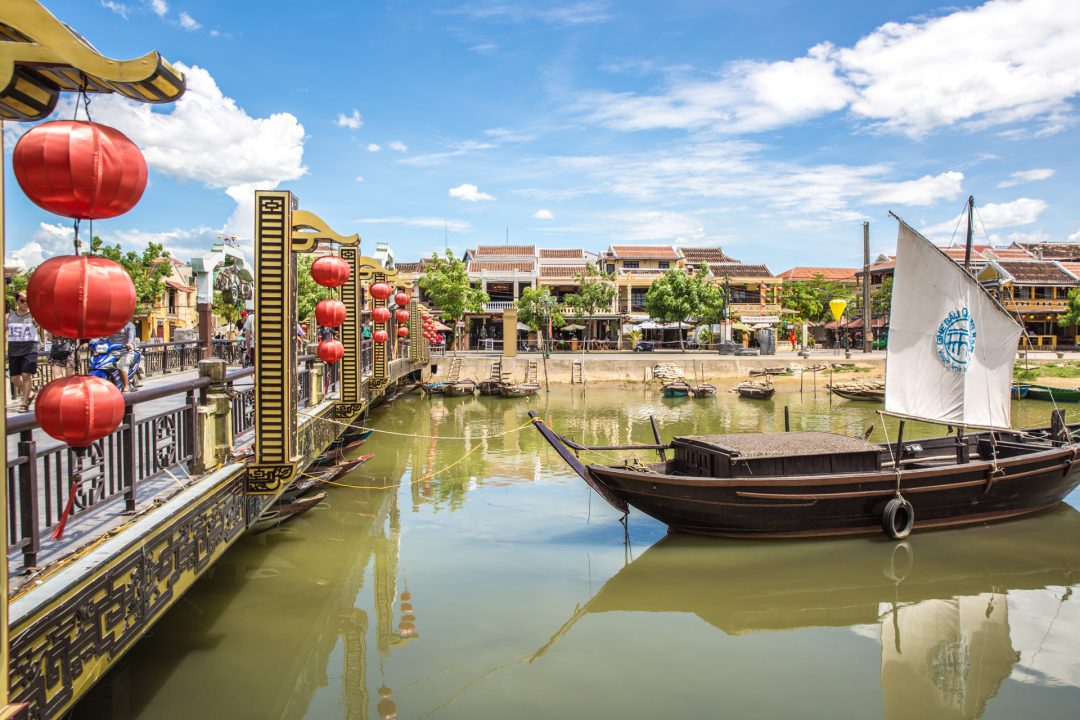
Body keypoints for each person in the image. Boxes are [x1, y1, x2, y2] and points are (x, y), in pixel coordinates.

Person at [7, 291, 40, 412]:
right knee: (14, 379)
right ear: (17, 302)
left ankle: (24, 403)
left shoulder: (33, 315)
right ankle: (30, 393)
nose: (25, 303)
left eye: (27, 301)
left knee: (26, 374)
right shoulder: (9, 316)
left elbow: (43, 318)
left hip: (29, 348)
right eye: (22, 300)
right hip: (14, 349)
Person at [104, 321, 137, 391]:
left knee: (121, 364)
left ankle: (126, 386)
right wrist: (90, 343)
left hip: (126, 351)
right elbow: (100, 335)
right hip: (111, 351)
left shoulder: (130, 326)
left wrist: (130, 344)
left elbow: (131, 337)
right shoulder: (109, 325)